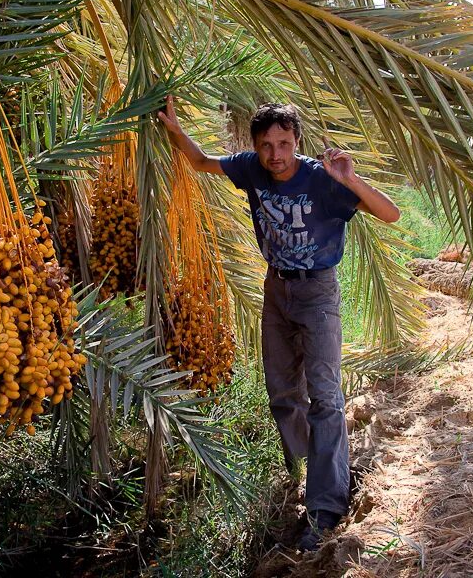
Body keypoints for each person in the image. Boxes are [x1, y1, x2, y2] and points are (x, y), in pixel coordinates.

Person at [158, 97, 400, 551]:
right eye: (266, 144)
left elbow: (390, 214)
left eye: (284, 143)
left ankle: (326, 507)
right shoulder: (251, 169)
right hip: (276, 290)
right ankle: (323, 469)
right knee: (284, 394)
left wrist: (350, 177)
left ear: (297, 142)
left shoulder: (321, 180)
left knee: (325, 396)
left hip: (317, 292)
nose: (275, 154)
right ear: (255, 146)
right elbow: (200, 161)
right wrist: (174, 128)